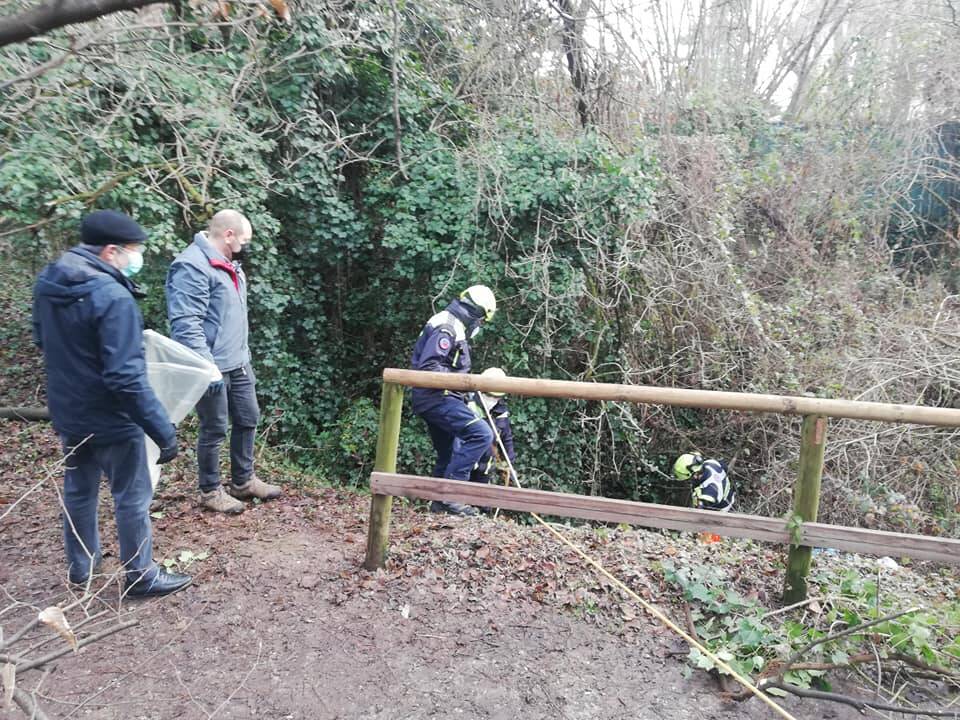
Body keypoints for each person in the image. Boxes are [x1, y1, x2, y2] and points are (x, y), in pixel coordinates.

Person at [32, 209, 192, 598]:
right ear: (110, 251)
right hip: (111, 418)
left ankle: (81, 569)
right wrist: (162, 429)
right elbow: (125, 376)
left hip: (69, 411)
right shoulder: (113, 296)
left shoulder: (48, 283)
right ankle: (140, 574)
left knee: (79, 491)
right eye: (133, 251)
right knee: (132, 497)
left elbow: (42, 341)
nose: (135, 259)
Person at [166, 210, 281, 514]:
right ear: (228, 234)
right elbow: (186, 323)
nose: (245, 246)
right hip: (210, 367)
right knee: (214, 428)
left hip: (238, 362)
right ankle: (210, 490)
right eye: (243, 240)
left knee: (248, 417)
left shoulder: (230, 265)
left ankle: (243, 482)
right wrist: (208, 368)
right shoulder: (191, 266)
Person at [410, 285, 497, 516]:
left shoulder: (452, 324)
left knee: (447, 452)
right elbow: (431, 368)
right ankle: (452, 497)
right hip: (437, 397)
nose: (480, 326)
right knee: (481, 434)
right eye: (482, 321)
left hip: (438, 397)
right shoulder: (447, 327)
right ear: (476, 314)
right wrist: (463, 383)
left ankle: (439, 503)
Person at [468, 367, 516, 485]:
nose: (492, 400)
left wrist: (509, 463)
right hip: (465, 466)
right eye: (489, 395)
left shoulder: (501, 412)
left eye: (496, 397)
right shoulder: (468, 405)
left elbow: (506, 438)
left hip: (485, 468)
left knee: (483, 502)